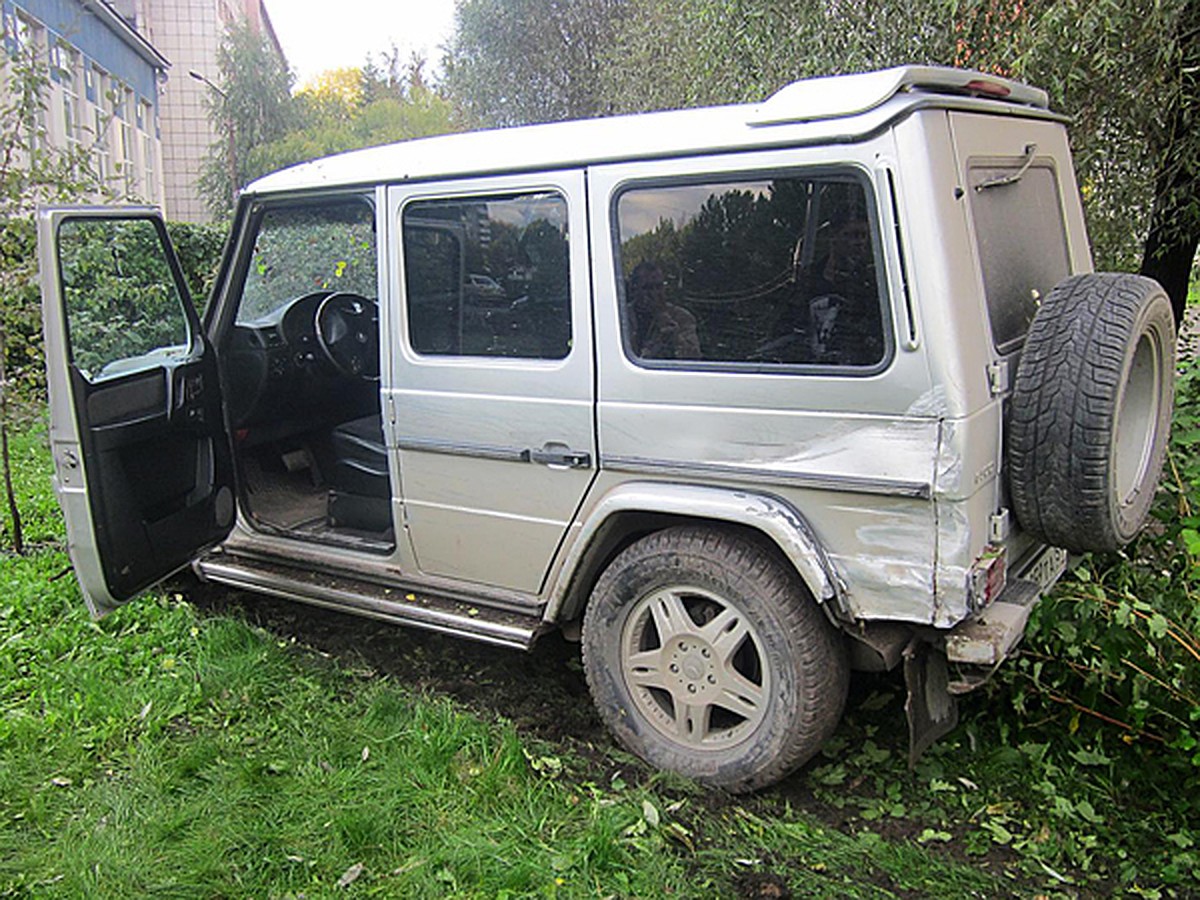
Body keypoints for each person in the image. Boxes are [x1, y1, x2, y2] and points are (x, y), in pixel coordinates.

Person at [626, 261, 700, 360]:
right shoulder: (621, 317)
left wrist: (672, 333)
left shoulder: (681, 317)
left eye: (658, 287)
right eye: (648, 288)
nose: (654, 293)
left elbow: (693, 358)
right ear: (634, 289)